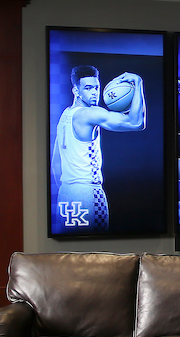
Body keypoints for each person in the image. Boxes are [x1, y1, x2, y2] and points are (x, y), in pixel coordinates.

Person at [52, 65, 145, 231]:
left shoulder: (65, 115)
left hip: (65, 195)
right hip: (89, 193)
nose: (94, 92)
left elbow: (55, 165)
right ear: (76, 91)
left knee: (72, 252)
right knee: (97, 251)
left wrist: (71, 193)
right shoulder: (89, 113)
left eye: (96, 87)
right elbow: (136, 122)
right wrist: (138, 83)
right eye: (87, 88)